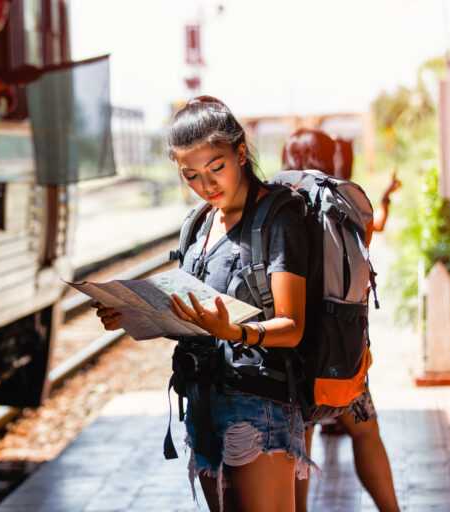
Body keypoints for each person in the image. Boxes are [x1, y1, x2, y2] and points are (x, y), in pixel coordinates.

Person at [97, 96, 313, 511]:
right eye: (191, 175)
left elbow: (293, 326)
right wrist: (132, 314)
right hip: (202, 401)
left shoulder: (277, 218)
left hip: (258, 405)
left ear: (241, 153)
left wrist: (237, 333)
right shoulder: (197, 225)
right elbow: (193, 312)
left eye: (217, 167)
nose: (207, 185)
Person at [282, 128, 400, 512]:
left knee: (300, 443)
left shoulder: (275, 203)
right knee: (366, 432)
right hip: (341, 352)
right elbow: (367, 241)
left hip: (293, 353)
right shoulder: (346, 200)